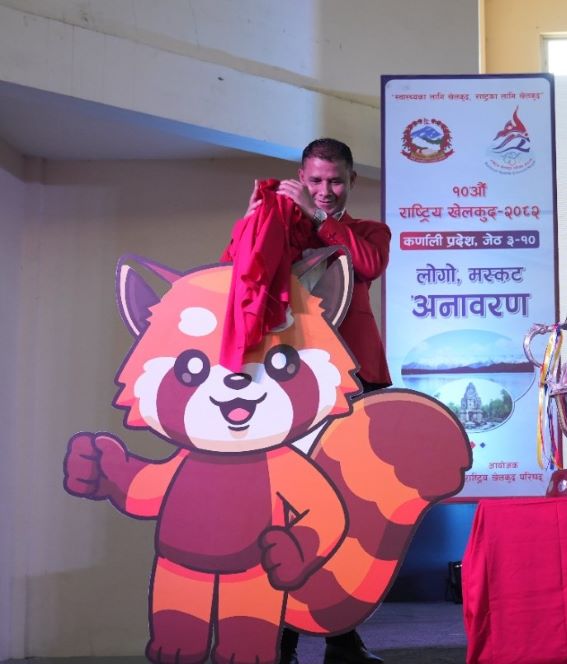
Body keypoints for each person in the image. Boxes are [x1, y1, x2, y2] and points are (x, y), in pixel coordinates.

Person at [223, 137, 391, 664]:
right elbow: (234, 273)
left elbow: (368, 264)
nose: (325, 190)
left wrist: (318, 220)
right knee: (284, 511)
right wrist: (253, 220)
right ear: (301, 176)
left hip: (355, 377)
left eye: (335, 181)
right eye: (315, 181)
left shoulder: (369, 231)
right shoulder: (283, 224)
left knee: (354, 510)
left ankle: (342, 638)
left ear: (352, 180)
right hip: (287, 383)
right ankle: (284, 640)